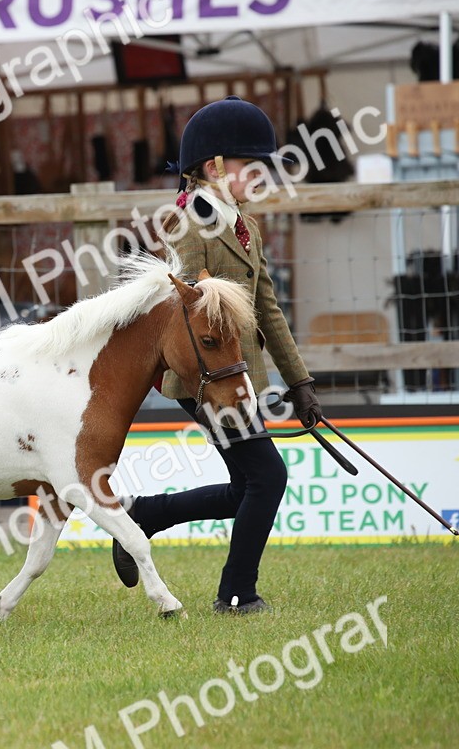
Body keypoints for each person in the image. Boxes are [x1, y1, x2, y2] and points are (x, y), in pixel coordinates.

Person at [111, 95, 323, 614]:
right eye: (253, 167)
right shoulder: (187, 223)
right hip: (208, 377)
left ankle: (144, 516)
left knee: (246, 486)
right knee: (267, 477)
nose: (262, 178)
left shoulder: (242, 223)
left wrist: (300, 383)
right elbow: (187, 305)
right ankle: (235, 593)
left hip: (241, 375)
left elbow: (267, 307)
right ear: (215, 168)